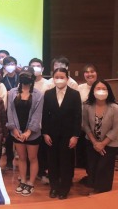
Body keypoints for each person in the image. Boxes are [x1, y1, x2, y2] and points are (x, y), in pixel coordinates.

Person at [42, 68, 82, 199]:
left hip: (68, 135)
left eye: (62, 77)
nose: (59, 79)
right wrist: (45, 133)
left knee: (66, 162)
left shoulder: (75, 94)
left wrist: (75, 136)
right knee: (52, 162)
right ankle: (54, 187)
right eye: (56, 77)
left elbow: (78, 116)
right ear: (53, 79)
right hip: (51, 135)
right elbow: (45, 116)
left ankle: (65, 188)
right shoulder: (48, 94)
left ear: (67, 78)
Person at [6, 66, 43, 196]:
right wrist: (14, 129)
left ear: (32, 77)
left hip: (32, 134)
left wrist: (29, 132)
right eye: (23, 75)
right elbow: (10, 112)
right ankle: (22, 180)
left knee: (32, 158)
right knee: (21, 158)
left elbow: (37, 115)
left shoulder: (39, 94)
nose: (25, 78)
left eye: (27, 75)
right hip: (17, 132)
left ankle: (30, 183)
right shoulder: (12, 92)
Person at [82, 80, 118, 194]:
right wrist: (95, 142)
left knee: (104, 167)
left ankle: (102, 190)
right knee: (93, 166)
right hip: (92, 142)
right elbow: (85, 124)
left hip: (110, 143)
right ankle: (94, 186)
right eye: (98, 88)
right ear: (93, 91)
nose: (101, 91)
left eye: (104, 89)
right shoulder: (87, 106)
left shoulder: (115, 108)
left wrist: (103, 144)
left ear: (108, 91)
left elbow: (116, 128)